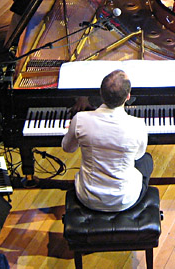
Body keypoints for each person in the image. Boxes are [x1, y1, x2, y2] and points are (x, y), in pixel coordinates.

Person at [62, 69, 152, 212]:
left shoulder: (80, 119)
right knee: (146, 160)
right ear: (128, 96)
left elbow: (68, 148)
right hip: (124, 199)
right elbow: (137, 156)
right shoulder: (137, 125)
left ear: (100, 94)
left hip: (87, 197)